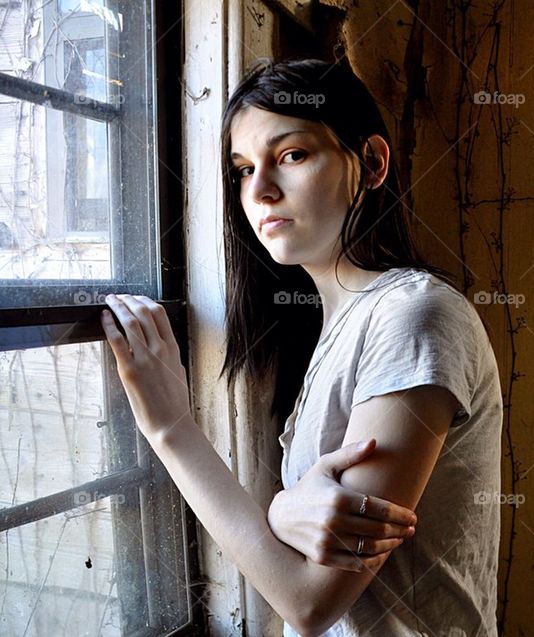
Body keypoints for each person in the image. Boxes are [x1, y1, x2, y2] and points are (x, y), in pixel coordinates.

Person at [100, 58, 502, 636]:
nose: (260, 190)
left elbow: (311, 601)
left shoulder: (415, 317)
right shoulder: (338, 320)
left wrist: (172, 429)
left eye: (292, 155)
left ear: (371, 163)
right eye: (242, 169)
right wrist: (286, 513)